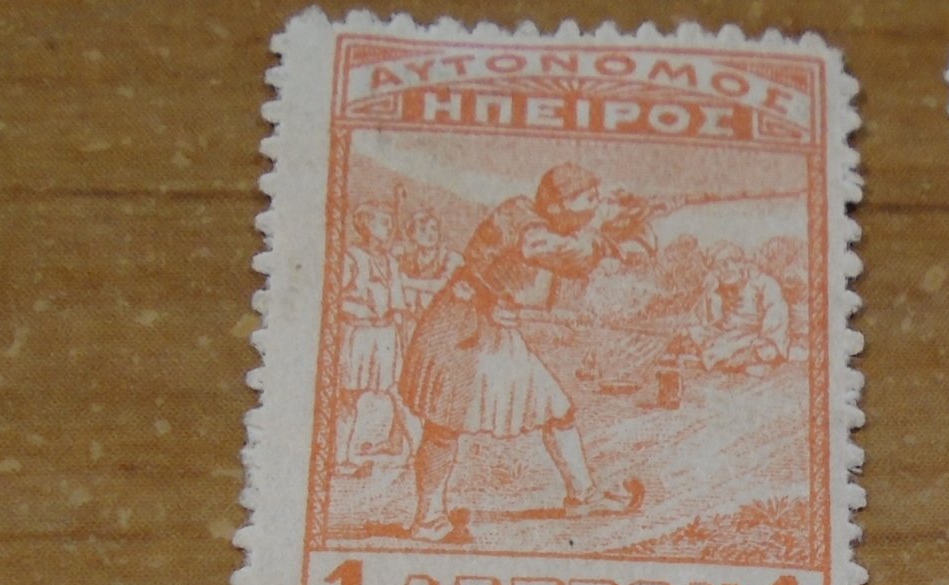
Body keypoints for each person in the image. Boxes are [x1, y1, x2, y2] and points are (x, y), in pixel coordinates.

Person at [393, 164, 652, 542]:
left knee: (558, 410)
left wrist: (621, 224)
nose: (594, 207)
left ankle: (582, 495)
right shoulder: (520, 217)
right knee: (443, 426)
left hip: (498, 330)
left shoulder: (554, 224)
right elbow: (551, 250)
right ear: (558, 203)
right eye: (587, 199)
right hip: (462, 325)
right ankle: (428, 519)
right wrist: (615, 244)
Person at [337, 205, 414, 470]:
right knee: (349, 395)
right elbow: (336, 300)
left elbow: (398, 303)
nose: (390, 229)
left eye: (390, 223)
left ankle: (415, 451)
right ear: (366, 226)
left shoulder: (391, 262)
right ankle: (341, 457)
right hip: (360, 335)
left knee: (399, 391)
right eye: (384, 222)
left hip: (387, 337)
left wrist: (400, 327)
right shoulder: (352, 257)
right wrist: (364, 312)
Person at [696, 246, 791, 376]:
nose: (724, 270)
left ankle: (746, 361)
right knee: (696, 332)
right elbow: (714, 322)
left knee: (766, 350)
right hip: (732, 336)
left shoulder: (764, 283)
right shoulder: (719, 287)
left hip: (760, 338)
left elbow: (776, 316)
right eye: (719, 267)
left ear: (740, 262)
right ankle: (734, 362)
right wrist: (711, 296)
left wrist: (760, 343)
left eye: (727, 263)